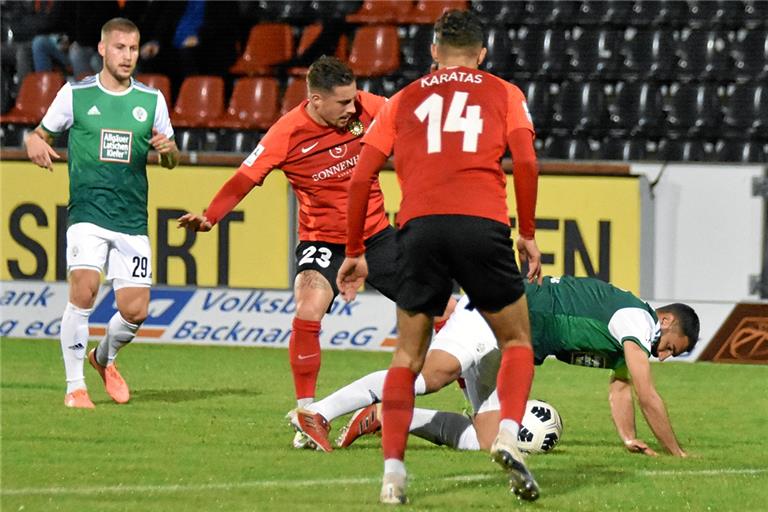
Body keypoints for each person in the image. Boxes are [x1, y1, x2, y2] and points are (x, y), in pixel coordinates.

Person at [177, 56, 450, 431]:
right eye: (343, 103)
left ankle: (480, 404)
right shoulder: (286, 133)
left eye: (354, 99)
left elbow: (411, 113)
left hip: (375, 236)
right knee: (308, 308)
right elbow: (246, 177)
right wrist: (211, 215)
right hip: (322, 241)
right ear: (316, 100)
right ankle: (307, 413)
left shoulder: (369, 107)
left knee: (443, 310)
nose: (353, 108)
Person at [337, 9, 543, 504]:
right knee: (516, 340)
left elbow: (362, 176)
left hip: (420, 228)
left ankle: (392, 474)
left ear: (433, 50)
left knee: (407, 357)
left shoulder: (404, 99)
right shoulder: (504, 93)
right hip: (482, 223)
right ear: (482, 54)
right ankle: (510, 436)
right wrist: (528, 234)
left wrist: (354, 249)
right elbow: (528, 162)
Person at [294, 276, 699, 459]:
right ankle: (317, 413)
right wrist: (675, 451)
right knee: (431, 376)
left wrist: (628, 438)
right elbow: (646, 392)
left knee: (486, 442)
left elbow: (623, 389)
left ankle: (386, 415)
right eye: (669, 348)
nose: (662, 356)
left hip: (508, 343)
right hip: (501, 311)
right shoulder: (638, 320)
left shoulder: (629, 334)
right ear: (664, 322)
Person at [24, 17, 179, 409]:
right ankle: (75, 387)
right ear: (103, 50)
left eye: (133, 48)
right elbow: (38, 135)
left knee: (135, 310)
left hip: (131, 219)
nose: (128, 56)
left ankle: (103, 357)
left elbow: (172, 159)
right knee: (84, 291)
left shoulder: (151, 101)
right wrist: (33, 144)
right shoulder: (74, 95)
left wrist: (168, 152)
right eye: (120, 48)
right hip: (87, 214)